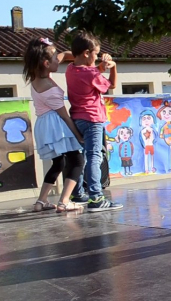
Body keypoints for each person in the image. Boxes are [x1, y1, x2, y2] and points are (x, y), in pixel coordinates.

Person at [23, 37, 85, 213]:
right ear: (45, 62)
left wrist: (82, 58)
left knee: (58, 163)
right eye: (54, 57)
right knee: (77, 161)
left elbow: (64, 55)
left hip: (43, 124)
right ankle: (64, 201)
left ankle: (41, 201)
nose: (57, 58)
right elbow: (65, 117)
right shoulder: (49, 88)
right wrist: (78, 136)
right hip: (55, 125)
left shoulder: (37, 75)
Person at [66, 31, 123, 212]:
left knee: (81, 156)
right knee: (95, 156)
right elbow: (111, 85)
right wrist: (113, 67)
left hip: (77, 117)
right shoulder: (91, 74)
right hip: (93, 119)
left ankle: (78, 193)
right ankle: (96, 197)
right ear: (86, 53)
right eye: (95, 53)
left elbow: (88, 72)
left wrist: (99, 66)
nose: (97, 57)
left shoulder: (70, 69)